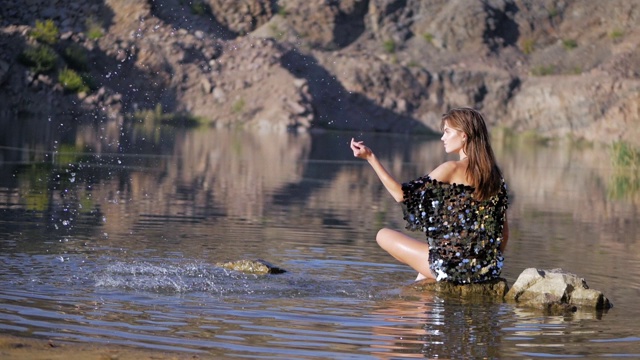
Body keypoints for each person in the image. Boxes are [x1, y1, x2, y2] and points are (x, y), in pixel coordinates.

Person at [349, 107, 509, 284]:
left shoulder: (452, 168)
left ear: (464, 135)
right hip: (489, 268)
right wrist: (488, 267)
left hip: (456, 268)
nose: (442, 137)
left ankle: (435, 277)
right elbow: (504, 232)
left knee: (383, 234)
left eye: (447, 132)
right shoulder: (495, 175)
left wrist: (370, 157)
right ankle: (428, 284)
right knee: (425, 271)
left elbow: (401, 194)